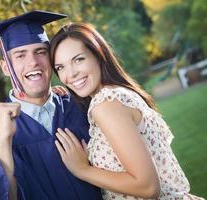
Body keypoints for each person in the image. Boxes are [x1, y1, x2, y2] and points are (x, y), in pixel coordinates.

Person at [50, 22, 204, 199]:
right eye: (60, 67)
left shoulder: (106, 103)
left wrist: (83, 169)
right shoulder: (118, 94)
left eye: (78, 59)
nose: (70, 75)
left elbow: (147, 187)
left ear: (98, 55)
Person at [0, 11, 103, 200]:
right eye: (20, 55)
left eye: (40, 52)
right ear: (5, 67)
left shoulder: (81, 106)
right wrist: (3, 144)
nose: (33, 62)